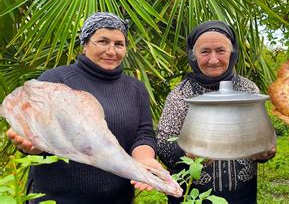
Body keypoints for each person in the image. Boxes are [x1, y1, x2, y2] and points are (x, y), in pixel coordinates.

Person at [7, 12, 169, 203]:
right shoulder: (56, 80)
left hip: (117, 199)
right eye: (102, 41)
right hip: (56, 198)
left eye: (119, 44)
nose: (111, 51)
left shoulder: (135, 88)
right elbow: (34, 129)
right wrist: (32, 145)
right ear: (85, 45)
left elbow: (143, 133)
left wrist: (144, 161)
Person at [156, 20, 276, 204]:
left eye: (221, 50)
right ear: (193, 55)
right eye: (205, 51)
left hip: (242, 195)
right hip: (191, 196)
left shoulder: (248, 89)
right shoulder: (181, 94)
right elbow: (163, 144)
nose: (213, 59)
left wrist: (265, 152)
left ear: (232, 52)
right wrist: (188, 155)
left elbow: (263, 136)